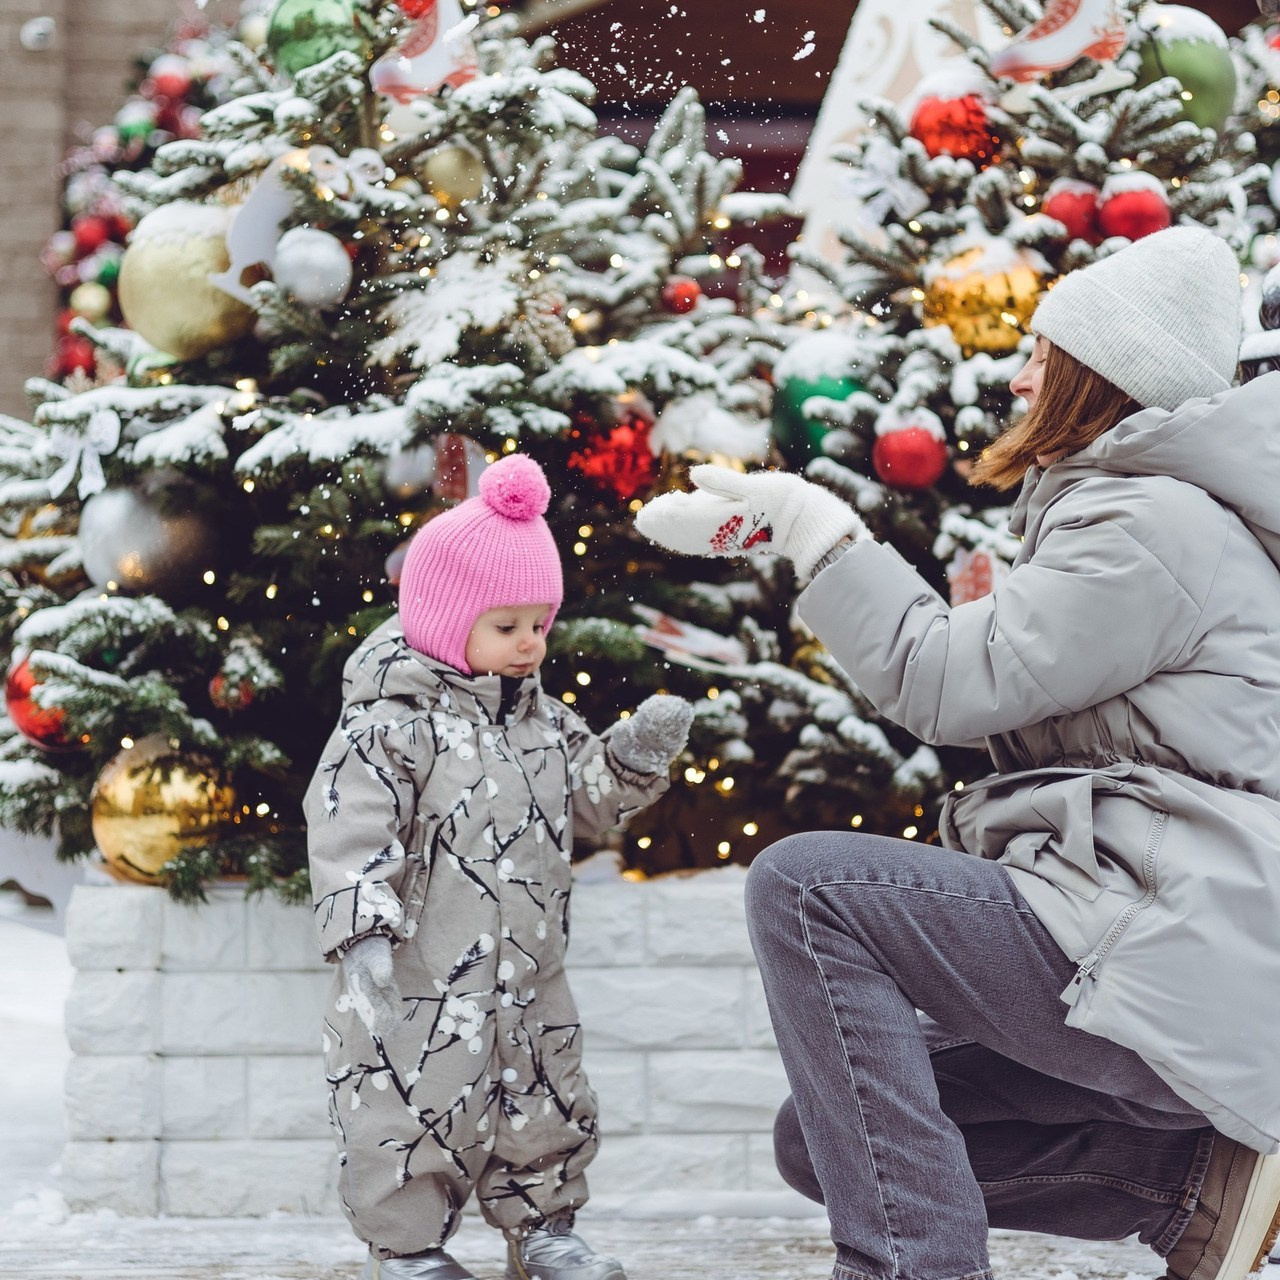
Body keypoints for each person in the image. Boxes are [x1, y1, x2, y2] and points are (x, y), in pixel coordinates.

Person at [635, 225, 1280, 1280]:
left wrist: (815, 529)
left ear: (1098, 374)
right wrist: (786, 547)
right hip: (1166, 926)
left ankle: (910, 1266)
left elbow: (939, 681)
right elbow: (988, 679)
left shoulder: (1146, 523)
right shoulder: (1145, 514)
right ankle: (1189, 1183)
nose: (1017, 372)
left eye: (1042, 351)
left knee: (808, 885)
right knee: (823, 1137)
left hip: (1178, 934)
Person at [305, 453, 692, 1280]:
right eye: (506, 625)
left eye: (539, 623)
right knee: (406, 1109)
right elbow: (347, 825)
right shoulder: (389, 729)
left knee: (545, 1098)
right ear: (450, 621)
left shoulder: (544, 723)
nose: (529, 643)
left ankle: (547, 1228)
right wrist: (363, 929)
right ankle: (406, 1251)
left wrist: (630, 757)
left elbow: (587, 803)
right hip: (416, 976)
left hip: (528, 970)